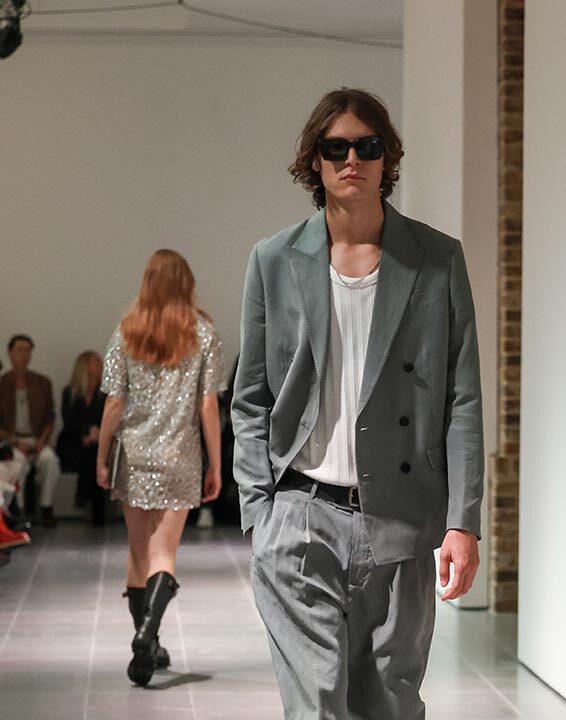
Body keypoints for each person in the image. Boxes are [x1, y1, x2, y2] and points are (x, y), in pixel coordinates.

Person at [232, 88, 484, 719]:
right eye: (336, 147)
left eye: (367, 147)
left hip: (401, 520)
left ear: (386, 158)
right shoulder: (273, 260)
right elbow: (251, 397)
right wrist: (260, 513)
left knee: (390, 703)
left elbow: (463, 399)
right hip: (300, 515)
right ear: (314, 161)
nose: (352, 160)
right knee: (315, 706)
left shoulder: (436, 259)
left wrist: (463, 521)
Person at [96, 249, 226, 686]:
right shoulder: (203, 333)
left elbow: (114, 403)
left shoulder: (126, 331)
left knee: (138, 555)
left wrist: (101, 456)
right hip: (180, 457)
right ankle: (148, 639)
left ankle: (146, 640)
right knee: (163, 555)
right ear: (186, 283)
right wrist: (215, 463)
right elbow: (208, 406)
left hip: (133, 457)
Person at [0, 335, 61, 527]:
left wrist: (43, 440)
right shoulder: (2, 384)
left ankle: (46, 506)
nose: (24, 355)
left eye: (28, 350)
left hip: (37, 438)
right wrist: (14, 441)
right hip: (13, 440)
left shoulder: (42, 383)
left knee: (50, 461)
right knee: (18, 464)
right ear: (10, 353)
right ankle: (19, 509)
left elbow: (50, 417)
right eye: (20, 350)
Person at [57, 351, 106, 525]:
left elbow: (108, 419)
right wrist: (86, 432)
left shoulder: (104, 393)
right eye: (96, 361)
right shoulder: (70, 393)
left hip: (98, 441)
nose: (100, 364)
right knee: (89, 454)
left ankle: (84, 498)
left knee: (92, 453)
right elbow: (69, 422)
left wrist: (96, 433)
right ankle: (96, 507)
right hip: (74, 442)